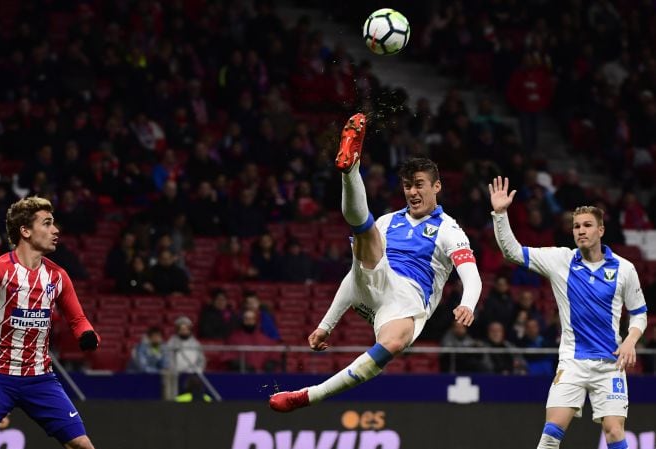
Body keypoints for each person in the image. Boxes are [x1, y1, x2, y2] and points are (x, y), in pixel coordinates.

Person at [269, 114, 482, 412]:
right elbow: (354, 279)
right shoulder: (388, 221)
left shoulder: (449, 229)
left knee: (393, 344)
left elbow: (471, 275)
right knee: (367, 232)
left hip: (405, 299)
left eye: (420, 185)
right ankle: (350, 167)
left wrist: (468, 303)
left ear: (437, 187)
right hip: (377, 278)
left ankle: (306, 396)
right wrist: (325, 325)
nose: (412, 192)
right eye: (408, 185)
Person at [488, 176, 647, 449]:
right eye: (576, 226)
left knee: (614, 432)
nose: (581, 231)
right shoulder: (560, 260)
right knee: (551, 433)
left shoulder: (624, 269)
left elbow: (640, 313)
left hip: (610, 365)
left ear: (601, 230)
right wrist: (501, 214)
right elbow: (512, 252)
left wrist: (631, 340)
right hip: (572, 363)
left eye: (587, 225)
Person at [0, 196, 100, 449]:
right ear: (25, 231)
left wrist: (87, 334)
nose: (55, 230)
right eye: (47, 223)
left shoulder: (58, 276)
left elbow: (78, 319)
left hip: (41, 378)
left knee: (82, 445)